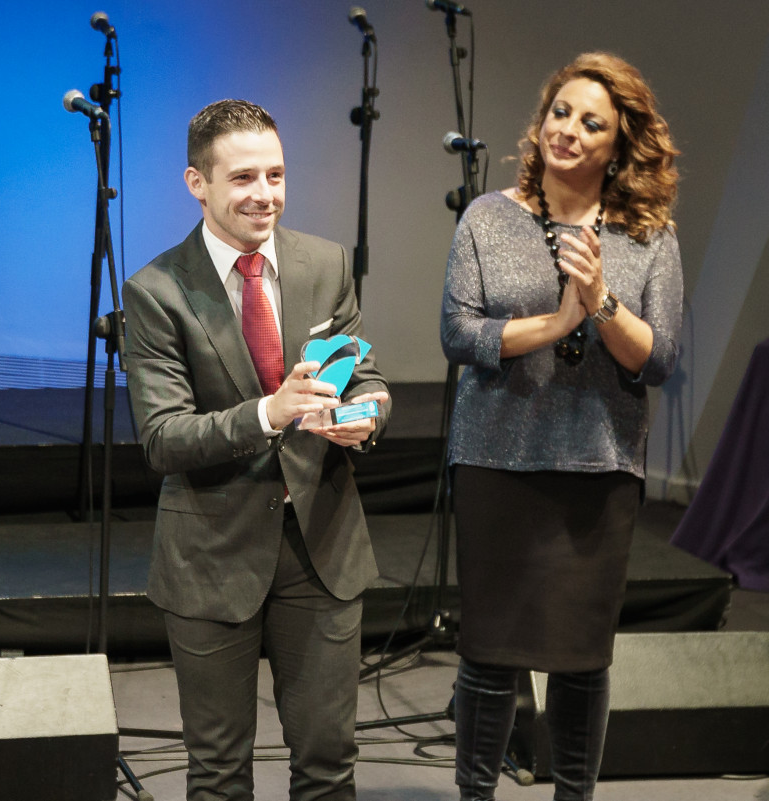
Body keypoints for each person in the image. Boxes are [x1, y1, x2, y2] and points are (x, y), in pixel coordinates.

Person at [122, 99, 391, 800]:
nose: (264, 194)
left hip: (322, 545)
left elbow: (363, 375)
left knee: (329, 764)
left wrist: (366, 414)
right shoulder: (155, 291)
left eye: (275, 174)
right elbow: (163, 437)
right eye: (243, 177)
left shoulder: (325, 263)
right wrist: (271, 413)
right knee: (218, 773)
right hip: (211, 553)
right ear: (197, 182)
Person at [440, 52, 682, 801]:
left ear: (619, 146)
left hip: (597, 468)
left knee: (582, 658)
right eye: (561, 112)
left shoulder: (648, 236)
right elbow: (459, 334)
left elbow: (659, 358)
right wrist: (554, 323)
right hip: (495, 460)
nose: (568, 130)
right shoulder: (488, 216)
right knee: (488, 652)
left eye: (591, 123)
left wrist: (601, 300)